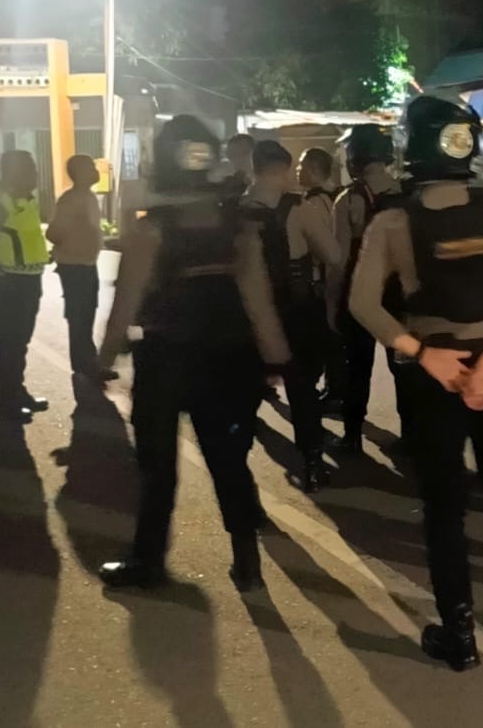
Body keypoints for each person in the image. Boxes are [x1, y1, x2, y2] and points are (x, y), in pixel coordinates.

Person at [349, 95, 483, 671]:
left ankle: (458, 632)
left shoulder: (392, 221)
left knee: (444, 502)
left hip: (434, 373)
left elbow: (363, 304)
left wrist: (424, 355)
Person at [97, 115, 290, 593]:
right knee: (228, 461)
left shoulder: (152, 231)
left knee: (158, 467)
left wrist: (104, 359)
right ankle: (247, 562)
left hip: (166, 361)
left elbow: (125, 302)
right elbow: (259, 301)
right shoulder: (237, 229)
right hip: (229, 360)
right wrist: (275, 359)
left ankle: (148, 562)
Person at [242, 141, 343, 492]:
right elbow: (333, 255)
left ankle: (237, 472)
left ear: (254, 167)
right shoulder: (299, 208)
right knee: (301, 389)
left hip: (250, 312)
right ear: (284, 169)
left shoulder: (236, 209)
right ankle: (313, 463)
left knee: (245, 390)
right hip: (298, 310)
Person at [334, 123, 407, 456]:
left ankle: (352, 436)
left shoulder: (348, 200)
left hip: (360, 294)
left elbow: (338, 261)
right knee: (403, 368)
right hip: (399, 296)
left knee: (356, 368)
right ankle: (410, 436)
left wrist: (331, 303)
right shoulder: (407, 195)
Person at [0, 150, 51, 422]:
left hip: (26, 280)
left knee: (19, 344)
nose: (36, 175)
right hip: (5, 283)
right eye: (30, 169)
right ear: (13, 172)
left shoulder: (25, 200)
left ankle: (17, 392)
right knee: (10, 344)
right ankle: (7, 404)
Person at [47, 154, 106, 380]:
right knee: (80, 316)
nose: (96, 171)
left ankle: (88, 362)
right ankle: (85, 365)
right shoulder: (70, 200)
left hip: (86, 264)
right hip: (74, 266)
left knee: (86, 314)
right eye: (91, 167)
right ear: (80, 173)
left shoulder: (88, 197)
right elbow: (54, 233)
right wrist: (74, 243)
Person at [217, 132, 256, 204]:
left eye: (245, 153)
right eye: (233, 155)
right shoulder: (228, 187)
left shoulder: (269, 183)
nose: (239, 160)